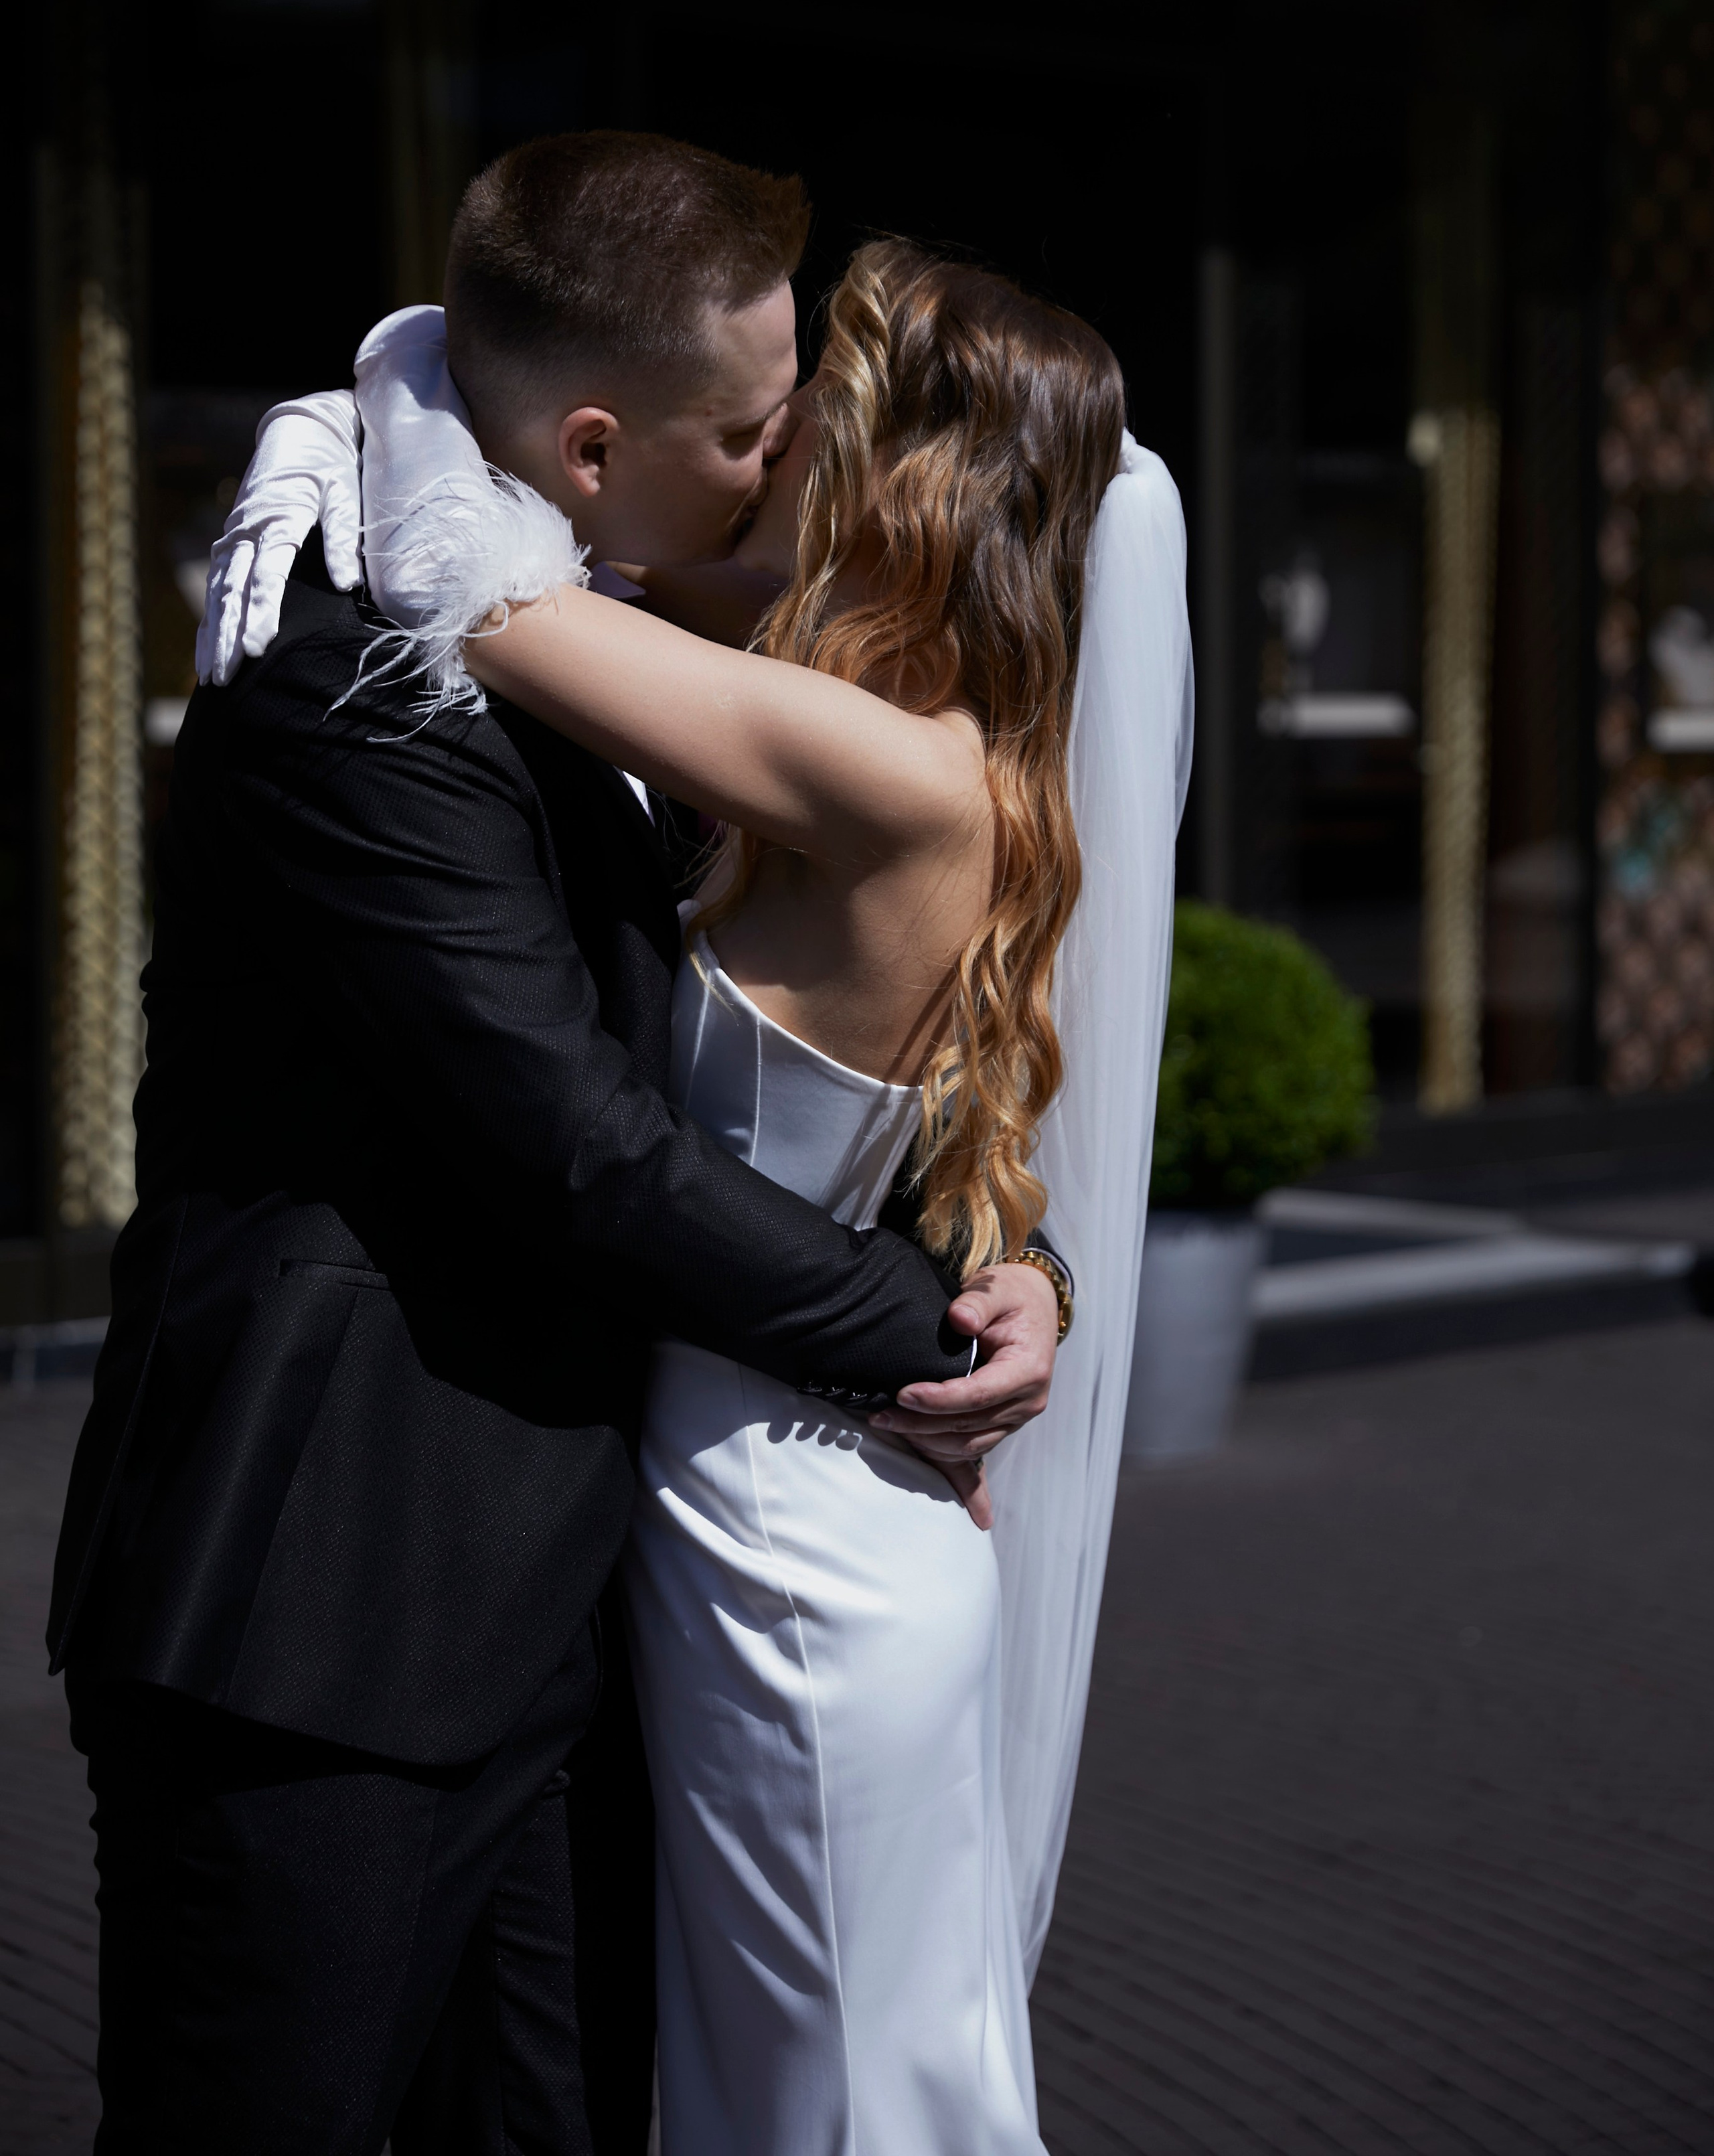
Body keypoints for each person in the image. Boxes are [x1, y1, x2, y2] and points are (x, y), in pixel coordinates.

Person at [48, 133, 1065, 2156]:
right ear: (593, 450)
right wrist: (923, 1323)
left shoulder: (640, 641)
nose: (790, 473)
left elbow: (829, 1025)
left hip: (574, 1605)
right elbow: (581, 1147)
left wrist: (998, 1249)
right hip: (331, 1606)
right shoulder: (350, 673)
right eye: (756, 431)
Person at [294, 220, 1191, 2151]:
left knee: (850, 2105)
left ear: (901, 480)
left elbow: (486, 603)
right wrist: (1021, 1265)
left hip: (789, 1547)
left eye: (806, 424)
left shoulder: (872, 761)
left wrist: (398, 371)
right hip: (789, 1500)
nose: (767, 450)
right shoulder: (923, 749)